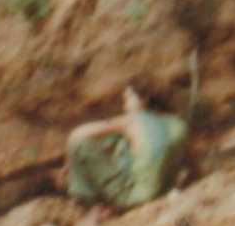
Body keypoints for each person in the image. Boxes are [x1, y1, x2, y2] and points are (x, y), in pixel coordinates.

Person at [63, 82, 190, 211]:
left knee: (77, 144)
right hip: (163, 191)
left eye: (128, 97)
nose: (125, 104)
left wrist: (69, 161)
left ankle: (86, 204)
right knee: (118, 141)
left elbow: (77, 134)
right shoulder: (177, 123)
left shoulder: (132, 120)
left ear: (144, 99)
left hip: (134, 197)